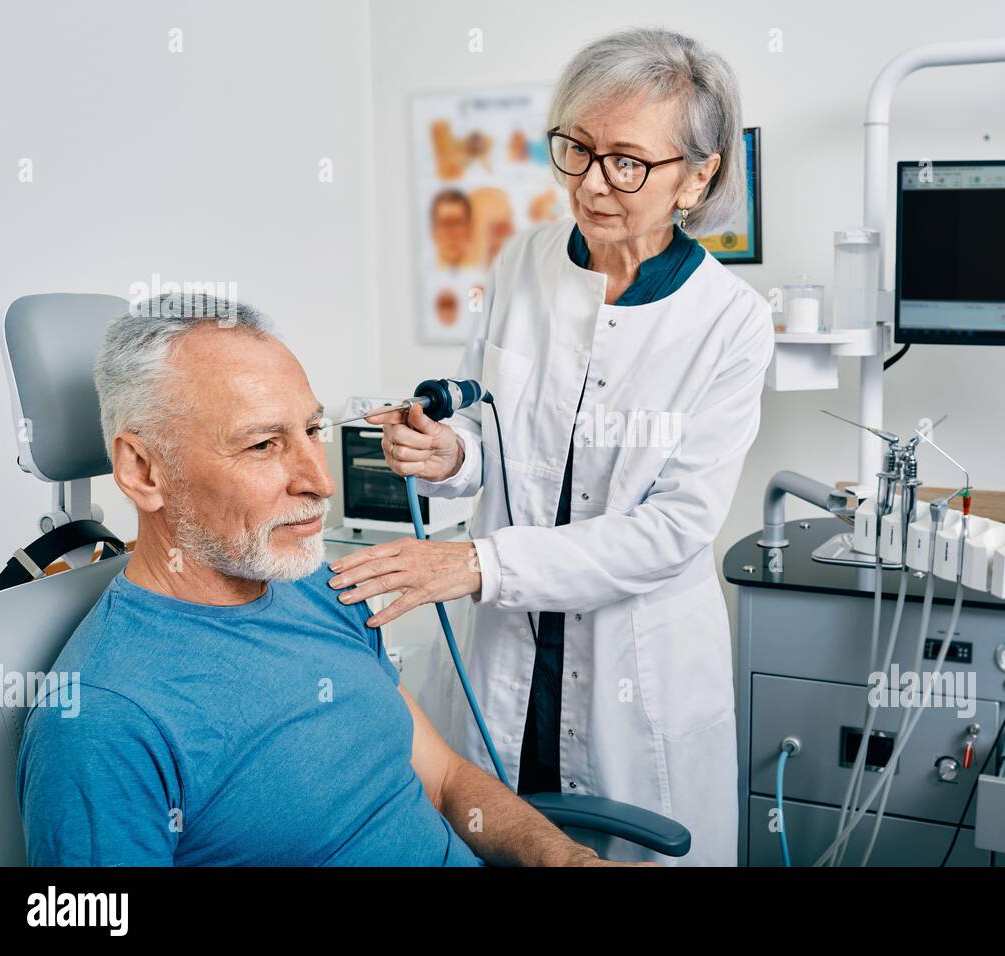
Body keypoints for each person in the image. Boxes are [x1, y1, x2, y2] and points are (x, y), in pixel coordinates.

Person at [327, 28, 774, 865]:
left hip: (636, 667)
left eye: (627, 162)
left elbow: (675, 529)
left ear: (699, 173)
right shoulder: (523, 263)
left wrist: (479, 566)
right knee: (493, 830)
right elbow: (494, 427)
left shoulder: (730, 323)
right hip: (505, 654)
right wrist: (450, 454)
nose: (592, 183)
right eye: (576, 149)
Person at [16, 294, 637, 867]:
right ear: (143, 468)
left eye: (312, 430)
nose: (321, 481)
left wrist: (568, 860)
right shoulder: (103, 724)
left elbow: (444, 780)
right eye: (263, 445)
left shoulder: (323, 588)